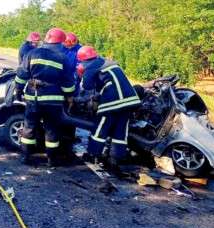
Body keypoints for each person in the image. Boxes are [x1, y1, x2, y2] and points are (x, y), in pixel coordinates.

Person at [15, 28, 75, 167]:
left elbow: (22, 74)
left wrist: (18, 90)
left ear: (47, 39)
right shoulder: (63, 58)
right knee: (52, 129)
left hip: (33, 98)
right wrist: (70, 98)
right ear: (61, 43)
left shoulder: (32, 53)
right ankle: (51, 160)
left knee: (29, 127)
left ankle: (25, 157)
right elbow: (68, 83)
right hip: (53, 100)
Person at [76, 46, 141, 169]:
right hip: (130, 100)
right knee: (120, 131)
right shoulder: (106, 62)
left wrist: (81, 76)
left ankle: (93, 155)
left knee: (100, 128)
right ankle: (115, 159)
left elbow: (87, 86)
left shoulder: (90, 66)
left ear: (81, 59)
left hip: (113, 101)